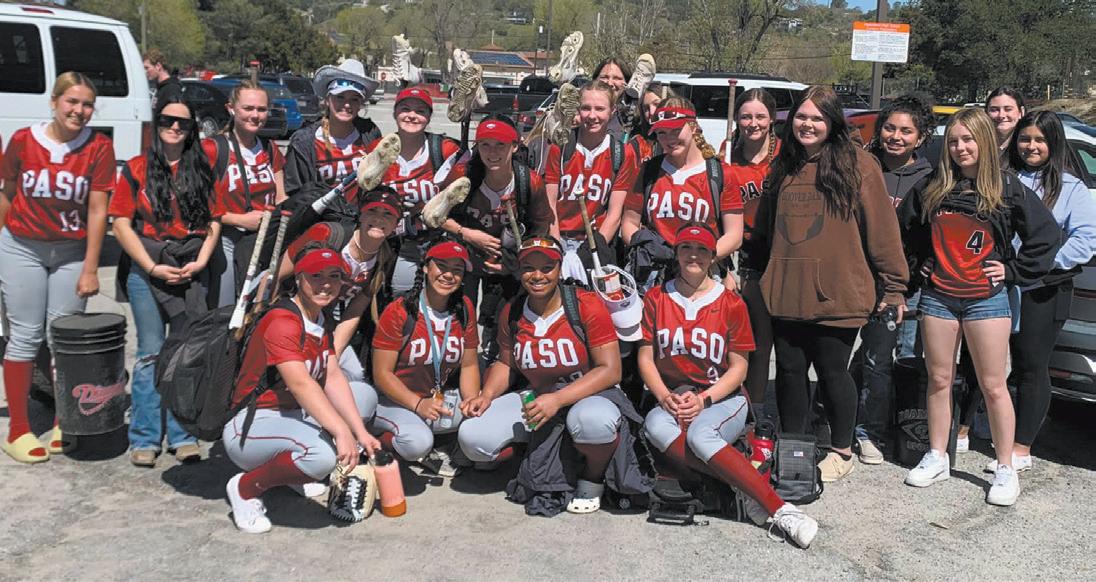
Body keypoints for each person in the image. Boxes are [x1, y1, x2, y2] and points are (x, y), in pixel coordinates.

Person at [745, 86, 908, 483]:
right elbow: (765, 230)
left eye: (817, 118)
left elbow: (882, 231)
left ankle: (841, 450)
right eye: (801, 116)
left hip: (839, 291)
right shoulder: (783, 165)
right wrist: (756, 273)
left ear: (832, 121)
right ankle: (794, 447)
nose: (808, 124)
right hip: (786, 289)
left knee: (833, 372)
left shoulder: (859, 165)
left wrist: (893, 286)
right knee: (789, 370)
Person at [897, 107, 1058, 506]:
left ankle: (1005, 467)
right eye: (953, 141)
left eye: (968, 139)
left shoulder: (1007, 188)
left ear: (984, 141)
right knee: (938, 379)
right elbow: (905, 232)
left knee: (993, 385)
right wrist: (920, 267)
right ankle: (937, 455)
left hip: (986, 300)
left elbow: (1046, 235)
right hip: (939, 297)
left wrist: (1013, 271)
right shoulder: (933, 187)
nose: (960, 147)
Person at [639, 223, 818, 548]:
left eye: (702, 249)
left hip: (723, 396)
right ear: (676, 253)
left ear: (713, 257)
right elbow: (645, 358)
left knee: (700, 435)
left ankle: (781, 510)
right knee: (654, 425)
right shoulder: (656, 297)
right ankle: (746, 488)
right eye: (686, 247)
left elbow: (739, 368)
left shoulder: (731, 303)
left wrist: (704, 400)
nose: (693, 255)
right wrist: (663, 396)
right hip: (675, 396)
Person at [458, 236, 648, 515]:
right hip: (539, 396)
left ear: (560, 269)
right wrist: (485, 395)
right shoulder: (513, 310)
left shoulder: (585, 304)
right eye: (528, 268)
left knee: (592, 421)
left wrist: (557, 400)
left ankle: (592, 477)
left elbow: (610, 370)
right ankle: (542, 454)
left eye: (547, 267)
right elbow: (506, 363)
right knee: (473, 437)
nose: (537, 276)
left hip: (588, 394)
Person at [223, 248, 382, 534]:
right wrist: (341, 431)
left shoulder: (319, 317)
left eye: (334, 276)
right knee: (322, 456)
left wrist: (360, 432)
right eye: (316, 276)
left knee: (363, 396)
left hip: (291, 416)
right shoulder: (282, 320)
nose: (326, 284)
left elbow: (332, 376)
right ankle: (245, 489)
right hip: (252, 424)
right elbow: (300, 384)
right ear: (298, 278)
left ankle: (290, 473)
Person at [0, 73, 115, 463]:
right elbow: (8, 194)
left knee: (64, 339)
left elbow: (98, 210)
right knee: (25, 336)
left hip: (70, 251)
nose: (79, 111)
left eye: (87, 104)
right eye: (72, 101)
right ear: (54, 102)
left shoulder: (99, 147)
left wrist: (91, 267)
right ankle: (18, 430)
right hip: (22, 247)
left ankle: (66, 419)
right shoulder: (23, 140)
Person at [978, 111, 1095, 472]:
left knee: (1031, 365)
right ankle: (988, 428)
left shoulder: (1072, 188)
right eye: (1025, 138)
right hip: (998, 284)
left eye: (1040, 140)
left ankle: (1021, 446)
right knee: (990, 364)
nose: (1031, 146)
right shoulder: (1002, 178)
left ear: (1053, 143)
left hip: (1044, 289)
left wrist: (1038, 264)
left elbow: (1085, 239)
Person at [110, 95, 223, 467]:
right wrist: (151, 266)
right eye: (167, 120)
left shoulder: (202, 169)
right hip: (148, 269)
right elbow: (120, 224)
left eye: (183, 123)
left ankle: (182, 434)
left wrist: (202, 260)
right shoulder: (136, 168)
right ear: (156, 123)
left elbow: (214, 220)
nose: (175, 127)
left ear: (191, 130)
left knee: (187, 353)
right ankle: (144, 436)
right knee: (150, 353)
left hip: (191, 269)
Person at [849, 94, 937, 464]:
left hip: (909, 287)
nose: (896, 137)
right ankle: (867, 430)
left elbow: (935, 233)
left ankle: (892, 428)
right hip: (858, 280)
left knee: (900, 359)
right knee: (875, 359)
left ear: (921, 137)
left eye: (906, 131)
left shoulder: (931, 179)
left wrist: (926, 266)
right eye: (889, 128)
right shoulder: (863, 168)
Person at [440, 115, 554, 362]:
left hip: (507, 263)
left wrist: (515, 264)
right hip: (467, 259)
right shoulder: (464, 174)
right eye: (485, 145)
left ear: (515, 146)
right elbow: (436, 214)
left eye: (500, 145)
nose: (492, 153)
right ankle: (457, 365)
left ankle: (497, 365)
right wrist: (468, 234)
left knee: (502, 323)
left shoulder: (528, 181)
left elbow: (541, 227)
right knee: (460, 317)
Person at [276, 187, 402, 408]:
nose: (378, 219)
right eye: (372, 211)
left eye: (387, 214)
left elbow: (355, 310)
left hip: (323, 321)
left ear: (396, 224)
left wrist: (331, 352)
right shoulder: (328, 234)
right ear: (360, 214)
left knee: (354, 374)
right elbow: (276, 275)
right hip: (288, 313)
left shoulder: (384, 256)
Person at [371, 240, 481, 477]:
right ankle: (373, 446)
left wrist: (472, 400)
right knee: (417, 443)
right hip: (395, 401)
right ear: (425, 267)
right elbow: (381, 374)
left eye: (457, 270)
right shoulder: (399, 310)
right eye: (441, 266)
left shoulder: (464, 308)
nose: (448, 275)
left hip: (437, 398)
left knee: (482, 421)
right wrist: (417, 404)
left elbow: (470, 364)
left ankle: (444, 442)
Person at [620, 97, 744, 292]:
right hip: (656, 277)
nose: (669, 139)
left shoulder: (719, 173)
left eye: (676, 130)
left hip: (704, 275)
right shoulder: (649, 171)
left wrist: (696, 259)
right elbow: (629, 222)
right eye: (661, 133)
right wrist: (645, 248)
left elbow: (734, 235)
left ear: (693, 127)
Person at [370, 87, 465, 294]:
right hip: (388, 243)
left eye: (420, 111)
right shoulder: (379, 148)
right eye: (405, 109)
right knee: (394, 298)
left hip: (433, 240)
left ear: (429, 117)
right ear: (395, 113)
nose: (412, 115)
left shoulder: (445, 149)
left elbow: (460, 198)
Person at [203, 80, 286, 307]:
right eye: (248, 108)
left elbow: (281, 197)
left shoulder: (270, 149)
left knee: (259, 309)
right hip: (225, 240)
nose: (255, 115)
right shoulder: (212, 148)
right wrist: (240, 220)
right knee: (226, 309)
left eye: (261, 109)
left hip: (263, 241)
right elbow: (198, 206)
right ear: (231, 108)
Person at [544, 81, 638, 272]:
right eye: (586, 108)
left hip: (595, 240)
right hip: (559, 237)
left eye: (600, 109)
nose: (592, 115)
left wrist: (591, 251)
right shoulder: (561, 147)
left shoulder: (622, 153)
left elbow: (614, 214)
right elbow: (549, 204)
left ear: (612, 111)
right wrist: (556, 245)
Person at [727, 88, 781, 408]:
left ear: (772, 119)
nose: (753, 123)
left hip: (784, 253)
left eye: (760, 116)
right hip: (747, 254)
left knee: (783, 342)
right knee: (756, 338)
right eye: (746, 116)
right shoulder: (727, 159)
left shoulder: (786, 156)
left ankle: (772, 408)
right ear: (737, 119)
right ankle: (751, 407)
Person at [283, 59, 382, 200]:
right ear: (327, 100)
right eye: (340, 97)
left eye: (354, 99)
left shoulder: (370, 134)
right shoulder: (304, 142)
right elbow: (295, 192)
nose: (347, 105)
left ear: (361, 104)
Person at [627, 82, 677, 165]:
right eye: (646, 108)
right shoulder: (638, 144)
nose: (652, 112)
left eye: (656, 104)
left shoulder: (683, 138)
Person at [985, 87, 1026, 155]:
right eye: (994, 110)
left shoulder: (1028, 148)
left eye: (1008, 109)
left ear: (1021, 112)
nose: (1001, 115)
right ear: (986, 113)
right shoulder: (978, 146)